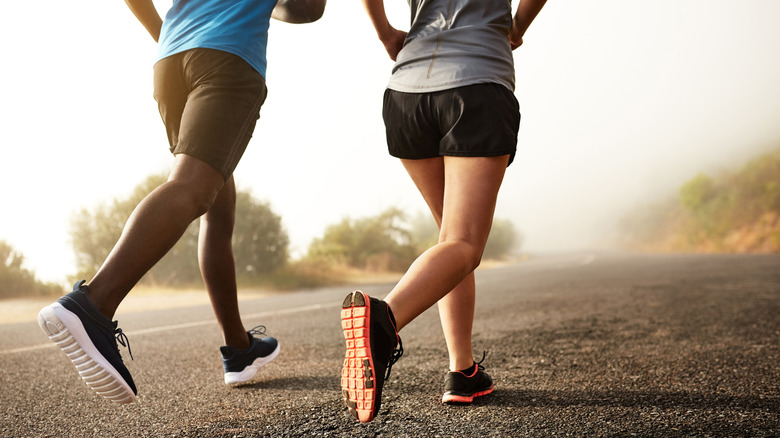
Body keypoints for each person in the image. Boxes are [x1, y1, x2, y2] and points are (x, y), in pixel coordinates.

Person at [37, 0, 325, 404]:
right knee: (192, 186)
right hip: (228, 54)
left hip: (172, 59)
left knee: (217, 204)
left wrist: (165, 35)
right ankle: (93, 304)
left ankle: (239, 349)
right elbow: (309, 8)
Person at [340, 0, 548, 423]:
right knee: (463, 243)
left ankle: (462, 370)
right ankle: (383, 320)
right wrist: (518, 25)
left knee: (450, 240)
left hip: (408, 92)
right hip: (475, 83)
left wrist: (385, 33)